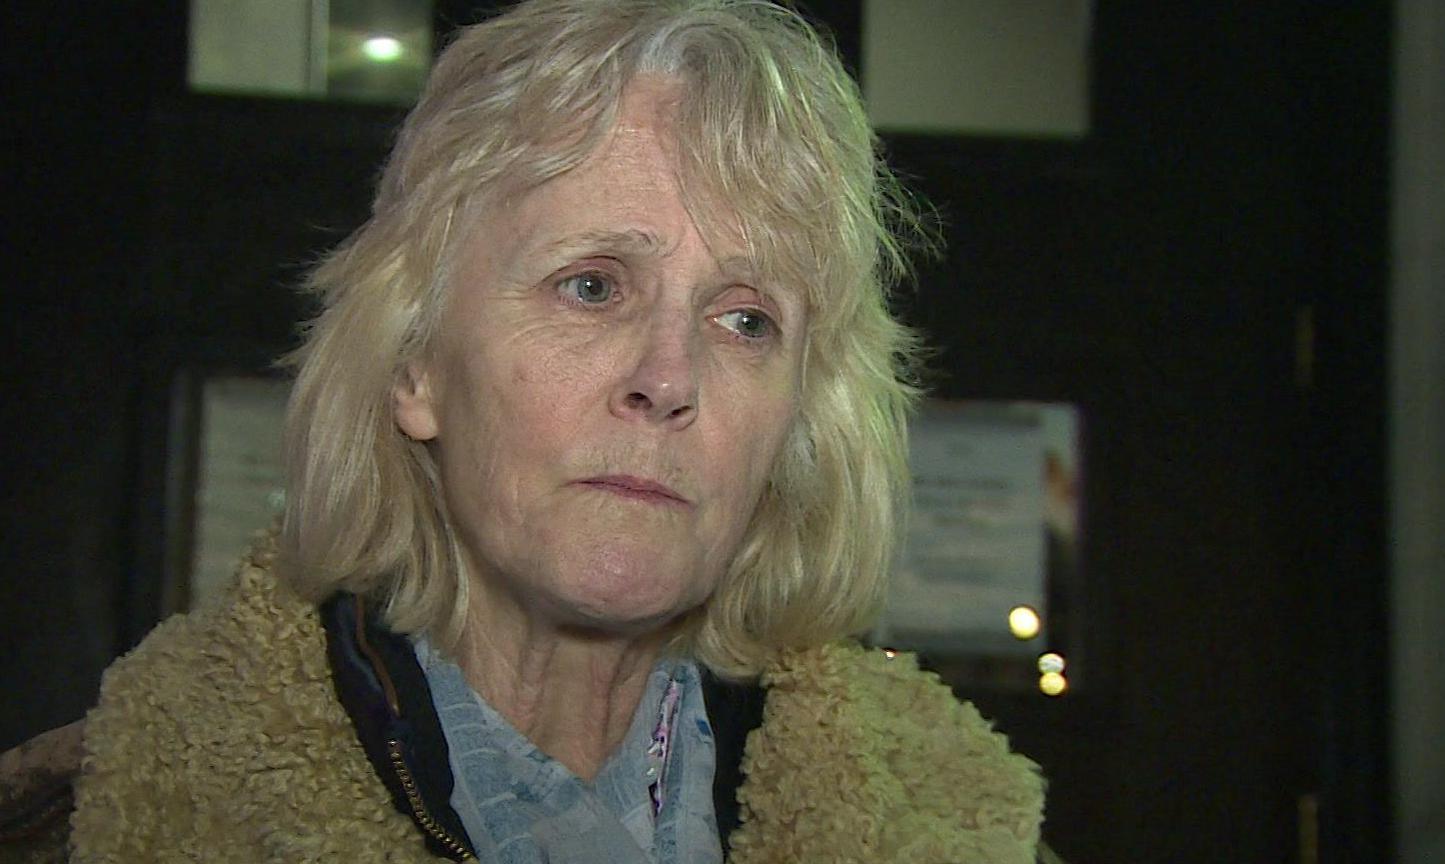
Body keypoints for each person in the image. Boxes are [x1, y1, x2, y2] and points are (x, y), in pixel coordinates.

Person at [2, 1, 1053, 861]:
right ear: (415, 366)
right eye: (592, 286)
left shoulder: (966, 833)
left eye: (745, 319)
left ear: (796, 425)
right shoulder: (104, 825)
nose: (667, 379)